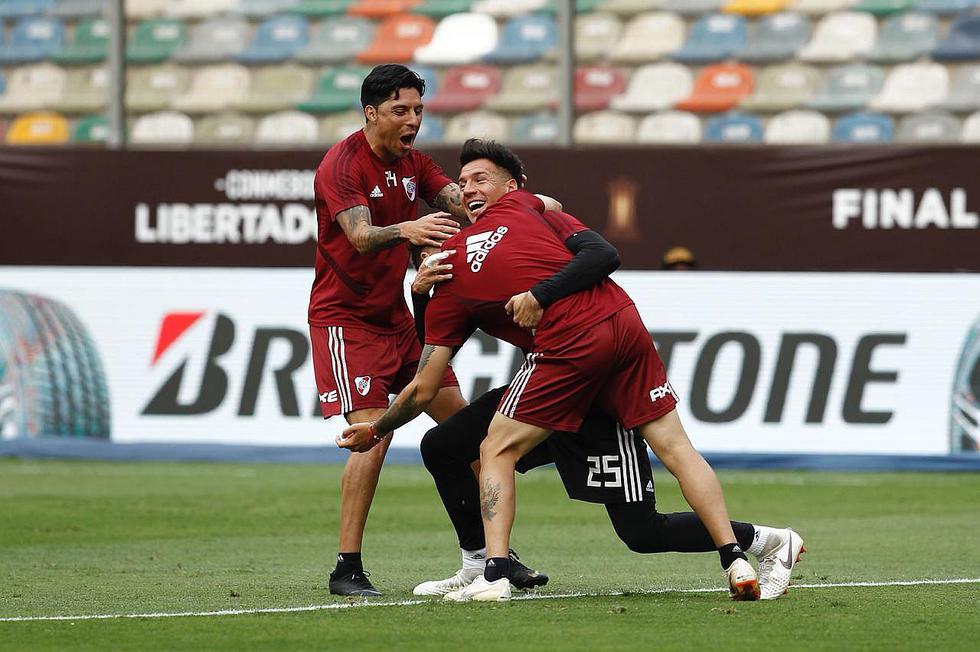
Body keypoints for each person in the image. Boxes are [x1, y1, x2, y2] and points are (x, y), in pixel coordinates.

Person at [340, 139, 806, 603]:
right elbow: (434, 357)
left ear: (513, 186)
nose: (467, 190)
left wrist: (540, 292)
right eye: (461, 184)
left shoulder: (530, 212)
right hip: (564, 372)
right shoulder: (454, 265)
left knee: (640, 529)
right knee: (444, 445)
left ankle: (759, 542)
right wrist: (421, 294)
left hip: (583, 366)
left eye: (480, 179)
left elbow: (596, 248)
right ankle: (482, 564)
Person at [310, 63, 473, 597]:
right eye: (401, 110)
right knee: (372, 439)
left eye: (419, 110)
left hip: (399, 320)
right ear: (371, 112)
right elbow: (359, 237)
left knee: (471, 432)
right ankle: (346, 567)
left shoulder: (412, 162)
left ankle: (489, 558)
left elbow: (460, 202)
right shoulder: (342, 164)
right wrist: (410, 229)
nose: (412, 121)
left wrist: (519, 205)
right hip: (346, 322)